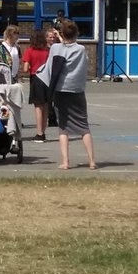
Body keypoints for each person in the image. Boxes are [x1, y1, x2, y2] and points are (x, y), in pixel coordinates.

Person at [46, 19, 96, 170]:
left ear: (61, 34)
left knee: (63, 127)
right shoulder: (81, 49)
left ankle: (66, 162)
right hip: (77, 90)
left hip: (61, 89)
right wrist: (63, 36)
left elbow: (59, 51)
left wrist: (59, 37)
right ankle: (92, 161)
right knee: (83, 126)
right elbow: (71, 48)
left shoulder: (55, 48)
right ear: (77, 33)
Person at [21, 28, 51, 141]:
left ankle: (39, 133)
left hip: (36, 78)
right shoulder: (47, 51)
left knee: (38, 107)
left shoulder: (30, 51)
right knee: (46, 106)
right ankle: (43, 131)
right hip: (47, 79)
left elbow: (25, 68)